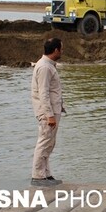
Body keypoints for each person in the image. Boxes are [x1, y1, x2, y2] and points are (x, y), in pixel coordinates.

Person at [31, 38, 65, 187]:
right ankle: (38, 176)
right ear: (56, 50)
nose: (62, 52)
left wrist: (59, 106)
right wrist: (49, 115)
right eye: (61, 49)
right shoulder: (45, 67)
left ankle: (46, 174)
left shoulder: (47, 65)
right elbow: (43, 93)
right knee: (44, 142)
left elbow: (51, 91)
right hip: (47, 113)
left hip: (52, 109)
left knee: (49, 143)